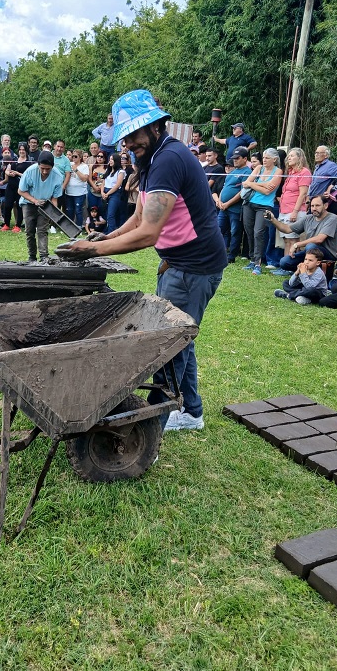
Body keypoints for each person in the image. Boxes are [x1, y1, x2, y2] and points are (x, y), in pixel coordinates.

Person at [57, 89, 227, 432]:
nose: (129, 143)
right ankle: (191, 412)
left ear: (155, 126)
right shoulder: (151, 160)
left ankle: (148, 430)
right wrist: (106, 237)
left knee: (167, 346)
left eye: (134, 134)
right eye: (125, 138)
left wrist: (92, 251)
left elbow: (148, 232)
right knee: (180, 338)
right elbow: (137, 218)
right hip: (176, 264)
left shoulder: (168, 159)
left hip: (194, 267)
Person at [241, 148, 283, 275]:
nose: (264, 160)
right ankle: (252, 259)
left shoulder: (279, 171)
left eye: (267, 158)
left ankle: (258, 263)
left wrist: (253, 184)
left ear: (274, 159)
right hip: (249, 203)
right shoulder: (259, 168)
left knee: (258, 232)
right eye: (263, 157)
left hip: (264, 205)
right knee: (249, 230)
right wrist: (263, 184)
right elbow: (245, 183)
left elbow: (267, 191)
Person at [18, 150, 63, 262]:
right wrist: (34, 201)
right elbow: (21, 191)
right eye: (42, 168)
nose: (44, 171)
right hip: (28, 203)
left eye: (48, 169)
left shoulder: (58, 176)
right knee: (29, 231)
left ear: (52, 167)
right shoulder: (30, 172)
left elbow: (54, 199)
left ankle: (44, 256)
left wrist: (53, 213)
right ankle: (32, 257)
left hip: (45, 204)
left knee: (42, 230)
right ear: (38, 165)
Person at [215, 154, 252, 264]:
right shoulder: (232, 172)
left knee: (235, 232)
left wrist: (228, 203)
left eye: (237, 158)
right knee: (218, 230)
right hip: (223, 207)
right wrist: (220, 201)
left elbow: (242, 192)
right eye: (234, 159)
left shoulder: (247, 173)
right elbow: (224, 188)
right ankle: (216, 253)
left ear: (245, 159)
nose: (235, 160)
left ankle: (231, 256)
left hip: (235, 209)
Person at [277, 148, 311, 257]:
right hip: (284, 210)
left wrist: (295, 212)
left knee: (293, 240)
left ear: (299, 157)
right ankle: (284, 264)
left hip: (294, 210)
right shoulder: (291, 172)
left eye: (292, 156)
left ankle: (290, 265)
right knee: (287, 240)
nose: (289, 158)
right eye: (288, 156)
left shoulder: (304, 172)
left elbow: (303, 194)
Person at [1, 142, 28, 230]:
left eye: (23, 150)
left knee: (19, 206)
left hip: (21, 187)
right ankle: (6, 224)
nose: (21, 151)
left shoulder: (28, 162)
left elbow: (28, 175)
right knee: (7, 205)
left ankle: (18, 225)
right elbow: (7, 170)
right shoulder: (14, 159)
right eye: (20, 149)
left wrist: (17, 173)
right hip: (11, 186)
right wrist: (9, 173)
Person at [101, 152, 127, 233]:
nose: (110, 161)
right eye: (110, 159)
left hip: (114, 194)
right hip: (105, 192)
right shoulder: (108, 171)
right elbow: (103, 182)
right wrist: (102, 192)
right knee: (106, 214)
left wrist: (108, 194)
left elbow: (117, 185)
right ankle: (107, 230)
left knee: (111, 215)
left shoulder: (121, 172)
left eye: (112, 159)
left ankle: (111, 232)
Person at [65, 149, 89, 226]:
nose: (74, 158)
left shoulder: (84, 166)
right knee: (69, 210)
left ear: (80, 157)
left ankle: (79, 226)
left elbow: (85, 178)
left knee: (78, 210)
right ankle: (69, 227)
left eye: (76, 156)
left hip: (79, 193)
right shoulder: (69, 164)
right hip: (69, 191)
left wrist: (76, 170)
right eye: (73, 156)